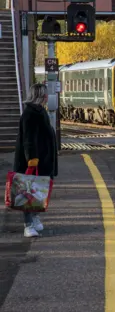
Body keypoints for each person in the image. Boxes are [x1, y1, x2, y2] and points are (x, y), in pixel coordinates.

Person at [13, 83, 58, 238]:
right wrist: (31, 159)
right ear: (40, 95)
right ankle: (28, 224)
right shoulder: (30, 113)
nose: (47, 97)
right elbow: (28, 139)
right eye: (45, 94)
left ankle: (35, 218)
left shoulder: (39, 111)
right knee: (27, 192)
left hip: (42, 159)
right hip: (32, 161)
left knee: (38, 190)